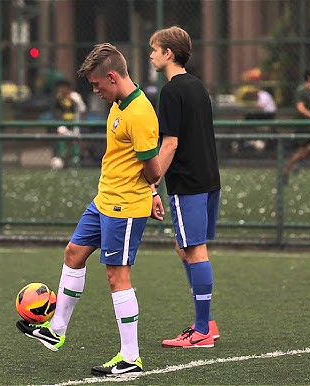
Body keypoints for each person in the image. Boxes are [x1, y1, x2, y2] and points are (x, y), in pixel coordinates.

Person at [16, 43, 161, 377]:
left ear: (113, 76)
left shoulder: (140, 113)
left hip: (124, 206)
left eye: (98, 85)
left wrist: (152, 190)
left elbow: (153, 170)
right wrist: (152, 192)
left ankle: (130, 358)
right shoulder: (118, 103)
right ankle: (56, 331)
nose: (95, 91)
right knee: (74, 253)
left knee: (116, 276)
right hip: (104, 199)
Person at [149, 26, 221, 348]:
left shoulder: (171, 91)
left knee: (194, 249)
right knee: (185, 247)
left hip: (188, 183)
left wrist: (151, 181)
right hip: (208, 180)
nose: (151, 54)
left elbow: (170, 144)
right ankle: (206, 322)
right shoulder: (197, 86)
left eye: (155, 49)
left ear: (168, 54)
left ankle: (203, 329)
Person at [282, 68, 310, 183]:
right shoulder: (301, 91)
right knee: (303, 152)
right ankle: (286, 168)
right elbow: (300, 108)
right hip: (305, 127)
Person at [52, 79, 87, 167]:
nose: (62, 89)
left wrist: (80, 122)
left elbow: (83, 109)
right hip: (64, 123)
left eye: (63, 87)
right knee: (62, 136)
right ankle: (62, 157)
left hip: (74, 123)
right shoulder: (59, 98)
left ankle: (75, 159)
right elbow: (56, 110)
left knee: (74, 140)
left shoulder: (75, 96)